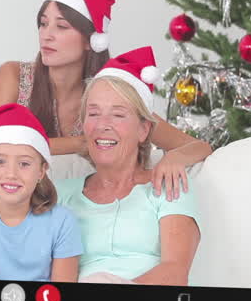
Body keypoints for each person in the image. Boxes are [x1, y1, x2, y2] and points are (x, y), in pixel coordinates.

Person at [0, 0, 210, 200]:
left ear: (91, 39)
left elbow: (199, 147)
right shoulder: (14, 75)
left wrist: (173, 157)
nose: (47, 35)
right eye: (43, 24)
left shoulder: (109, 93)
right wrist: (80, 142)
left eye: (61, 26)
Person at [54, 47, 200, 285]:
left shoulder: (169, 185)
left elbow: (175, 272)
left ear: (143, 130)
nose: (103, 125)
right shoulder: (60, 194)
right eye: (93, 113)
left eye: (118, 115)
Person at [0, 104, 81, 283]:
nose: (11, 174)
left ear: (41, 171)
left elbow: (61, 295)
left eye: (24, 164)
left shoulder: (63, 222)